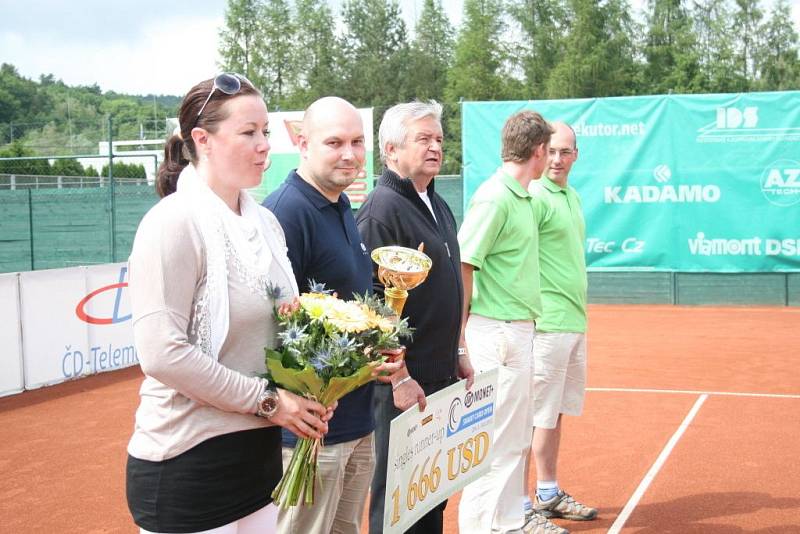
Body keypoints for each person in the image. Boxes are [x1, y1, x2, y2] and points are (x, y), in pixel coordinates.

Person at [125, 74, 334, 534]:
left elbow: (283, 328)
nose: (264, 145)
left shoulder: (266, 224)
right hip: (187, 462)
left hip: (257, 461)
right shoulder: (172, 223)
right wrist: (268, 402)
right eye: (248, 133)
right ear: (202, 140)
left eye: (265, 132)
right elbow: (163, 353)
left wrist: (319, 382)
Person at [263, 96, 406, 534]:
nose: (350, 153)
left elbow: (347, 308)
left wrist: (378, 349)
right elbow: (273, 327)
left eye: (358, 142)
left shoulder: (342, 205)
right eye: (335, 142)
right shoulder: (285, 212)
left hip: (356, 422)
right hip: (312, 433)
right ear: (303, 144)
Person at [356, 100, 474, 534]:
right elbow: (370, 306)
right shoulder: (380, 209)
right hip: (403, 386)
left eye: (439, 139)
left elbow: (449, 289)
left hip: (439, 376)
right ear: (391, 151)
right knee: (399, 498)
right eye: (423, 139)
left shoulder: (437, 203)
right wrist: (399, 377)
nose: (435, 147)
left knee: (431, 494)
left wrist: (458, 349)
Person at [457, 110, 560, 534]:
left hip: (517, 331)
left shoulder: (523, 197)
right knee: (495, 443)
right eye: (549, 150)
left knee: (514, 441)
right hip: (495, 333)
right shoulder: (495, 197)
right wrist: (459, 340)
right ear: (538, 151)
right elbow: (464, 262)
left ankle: (506, 524)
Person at [525, 122, 597, 525]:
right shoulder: (534, 196)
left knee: (554, 415)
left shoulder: (571, 196)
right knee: (535, 416)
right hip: (547, 324)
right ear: (540, 151)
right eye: (551, 150)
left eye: (565, 151)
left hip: (573, 322)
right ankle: (520, 507)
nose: (557, 159)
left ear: (575, 155)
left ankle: (548, 492)